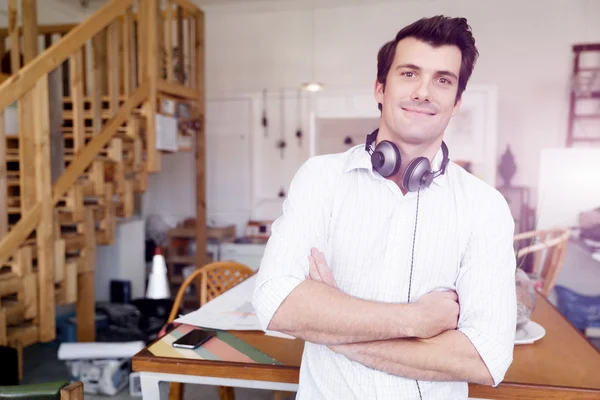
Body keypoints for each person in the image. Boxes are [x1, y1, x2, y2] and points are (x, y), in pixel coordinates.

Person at [253, 15, 516, 399]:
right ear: (380, 87)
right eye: (409, 74)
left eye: (443, 80)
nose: (424, 92)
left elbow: (484, 359)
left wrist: (333, 329)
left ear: (456, 101)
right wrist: (418, 320)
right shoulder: (320, 178)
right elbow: (276, 303)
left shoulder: (485, 206)